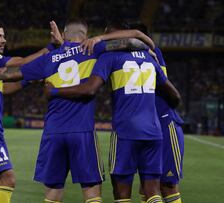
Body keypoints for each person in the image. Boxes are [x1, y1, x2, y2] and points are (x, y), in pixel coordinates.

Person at [0, 18, 153, 203]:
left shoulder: (49, 58)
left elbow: (14, 74)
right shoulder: (94, 49)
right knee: (92, 192)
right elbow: (134, 41)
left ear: (65, 34)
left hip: (53, 132)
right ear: (86, 34)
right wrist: (147, 51)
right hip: (82, 130)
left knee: (52, 193)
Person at [42, 20, 182, 203]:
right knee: (153, 191)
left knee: (123, 193)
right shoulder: (150, 56)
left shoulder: (108, 58)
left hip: (126, 129)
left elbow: (89, 89)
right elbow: (175, 97)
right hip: (155, 129)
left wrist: (53, 91)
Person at [0, 19, 58, 203]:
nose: (3, 40)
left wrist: (27, 80)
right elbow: (21, 62)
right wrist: (51, 47)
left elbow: (5, 89)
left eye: (4, 36)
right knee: (8, 179)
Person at [130, 22, 184, 203]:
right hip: (146, 128)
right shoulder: (125, 58)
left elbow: (170, 92)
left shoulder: (154, 54)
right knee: (147, 187)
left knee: (168, 185)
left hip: (164, 124)